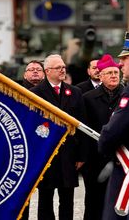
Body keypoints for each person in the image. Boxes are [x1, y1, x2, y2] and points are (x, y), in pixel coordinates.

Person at [97, 33, 129, 220]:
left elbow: (114, 129)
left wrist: (103, 144)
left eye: (125, 59)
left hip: (128, 161)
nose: (119, 65)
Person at [30, 54, 87, 220]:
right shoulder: (36, 93)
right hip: (46, 154)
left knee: (67, 198)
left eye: (63, 67)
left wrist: (81, 155)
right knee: (45, 198)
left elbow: (82, 124)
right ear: (47, 71)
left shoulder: (75, 92)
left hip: (69, 154)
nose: (63, 70)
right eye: (58, 68)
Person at [82, 54, 123, 220]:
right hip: (95, 158)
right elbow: (83, 131)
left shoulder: (128, 95)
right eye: (110, 73)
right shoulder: (88, 98)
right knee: (94, 200)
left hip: (121, 157)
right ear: (100, 76)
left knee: (119, 199)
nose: (114, 75)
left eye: (116, 72)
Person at [20, 60, 44, 220]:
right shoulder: (17, 90)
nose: (35, 72)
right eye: (31, 69)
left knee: (46, 194)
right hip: (24, 148)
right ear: (24, 74)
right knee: (23, 193)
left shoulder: (49, 92)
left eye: (38, 69)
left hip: (44, 146)